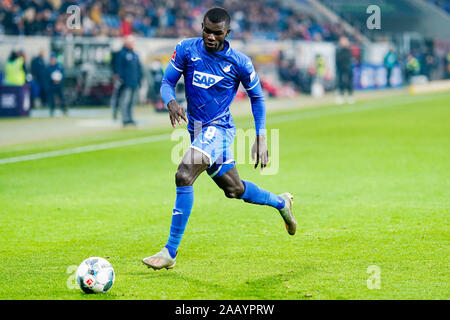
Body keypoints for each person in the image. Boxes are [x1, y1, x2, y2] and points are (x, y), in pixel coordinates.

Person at [142, 7, 297, 271]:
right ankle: (282, 203)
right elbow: (167, 82)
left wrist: (260, 136)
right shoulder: (187, 49)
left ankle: (170, 251)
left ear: (228, 33)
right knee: (234, 189)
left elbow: (257, 97)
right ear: (201, 26)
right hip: (198, 131)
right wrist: (170, 101)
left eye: (217, 33)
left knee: (183, 174)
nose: (210, 37)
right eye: (206, 30)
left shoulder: (239, 62)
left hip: (219, 130)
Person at [116, 35, 142, 126]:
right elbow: (119, 68)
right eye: (131, 42)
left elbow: (139, 68)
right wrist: (120, 79)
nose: (133, 44)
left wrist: (139, 79)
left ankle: (130, 118)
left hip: (134, 82)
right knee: (125, 101)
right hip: (126, 82)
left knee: (132, 101)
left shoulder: (135, 54)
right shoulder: (122, 54)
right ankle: (125, 118)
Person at [335, 36, 354, 104]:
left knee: (349, 83)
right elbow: (337, 61)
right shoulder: (339, 50)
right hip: (340, 70)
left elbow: (349, 60)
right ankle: (341, 96)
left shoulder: (348, 51)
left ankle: (350, 96)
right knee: (341, 83)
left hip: (348, 69)